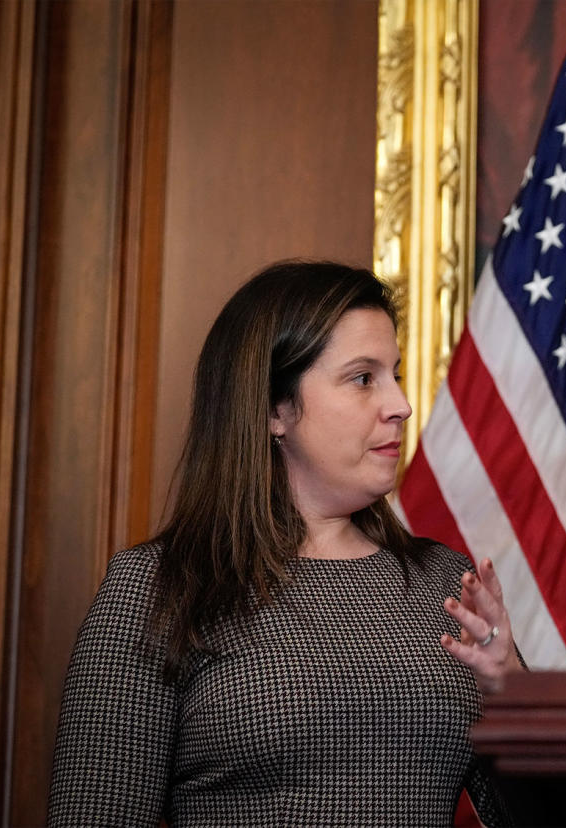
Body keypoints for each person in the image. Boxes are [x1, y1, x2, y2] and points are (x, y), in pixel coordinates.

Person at [48, 261, 522, 826]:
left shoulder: (443, 580)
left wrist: (510, 689)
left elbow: (543, 818)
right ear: (276, 409)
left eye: (395, 374)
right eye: (364, 378)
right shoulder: (156, 588)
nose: (401, 404)